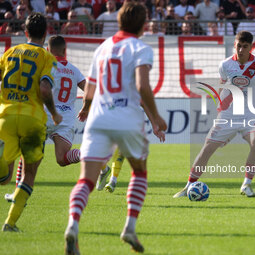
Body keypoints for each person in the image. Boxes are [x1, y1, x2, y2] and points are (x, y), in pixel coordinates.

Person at [64, 2, 167, 254]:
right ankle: (130, 227)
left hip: (99, 117)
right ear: (143, 25)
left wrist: (86, 108)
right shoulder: (141, 48)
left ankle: (72, 226)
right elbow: (142, 87)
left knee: (85, 180)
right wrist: (156, 118)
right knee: (139, 171)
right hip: (127, 117)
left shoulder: (103, 47)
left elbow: (89, 88)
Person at [173, 31, 255, 199]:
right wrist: (220, 109)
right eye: (239, 46)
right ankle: (188, 186)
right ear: (234, 45)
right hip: (228, 115)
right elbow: (224, 86)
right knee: (207, 148)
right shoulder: (225, 65)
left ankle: (246, 184)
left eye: (245, 46)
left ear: (251, 47)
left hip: (250, 115)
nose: (241, 50)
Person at [5, 35, 110, 203]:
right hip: (66, 119)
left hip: (45, 115)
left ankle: (18, 192)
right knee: (62, 158)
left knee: (28, 153)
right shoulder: (74, 70)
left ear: (48, 50)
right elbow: (89, 90)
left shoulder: (46, 66)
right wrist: (86, 108)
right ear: (65, 50)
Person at [0, 13, 62, 232]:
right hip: (32, 119)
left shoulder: (8, 53)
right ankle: (10, 223)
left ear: (25, 32)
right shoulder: (47, 58)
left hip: (5, 115)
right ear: (45, 34)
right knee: (29, 173)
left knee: (5, 176)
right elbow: (45, 89)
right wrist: (54, 113)